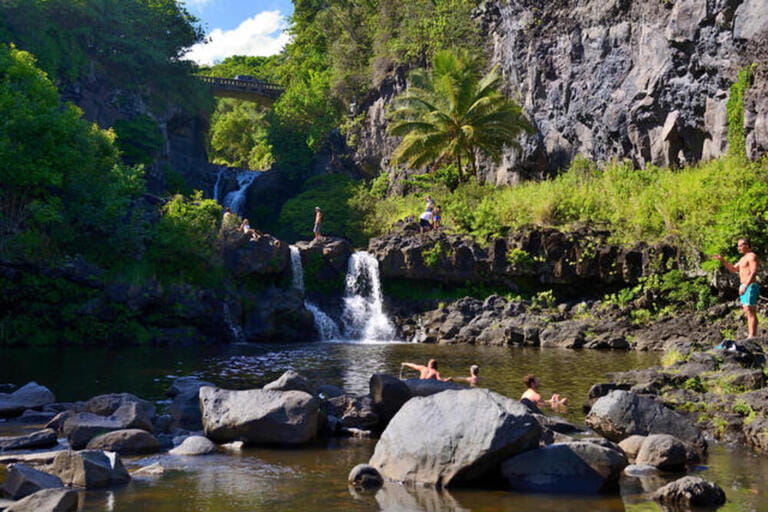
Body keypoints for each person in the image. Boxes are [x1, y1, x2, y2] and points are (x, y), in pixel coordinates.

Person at [713, 238, 760, 338]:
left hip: (750, 285)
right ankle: (751, 335)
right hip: (744, 285)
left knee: (750, 310)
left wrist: (746, 285)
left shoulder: (752, 256)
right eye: (738, 246)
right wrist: (722, 260)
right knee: (747, 311)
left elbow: (753, 271)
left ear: (747, 245)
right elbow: (733, 269)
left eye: (741, 245)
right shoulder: (742, 259)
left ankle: (752, 336)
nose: (739, 247)